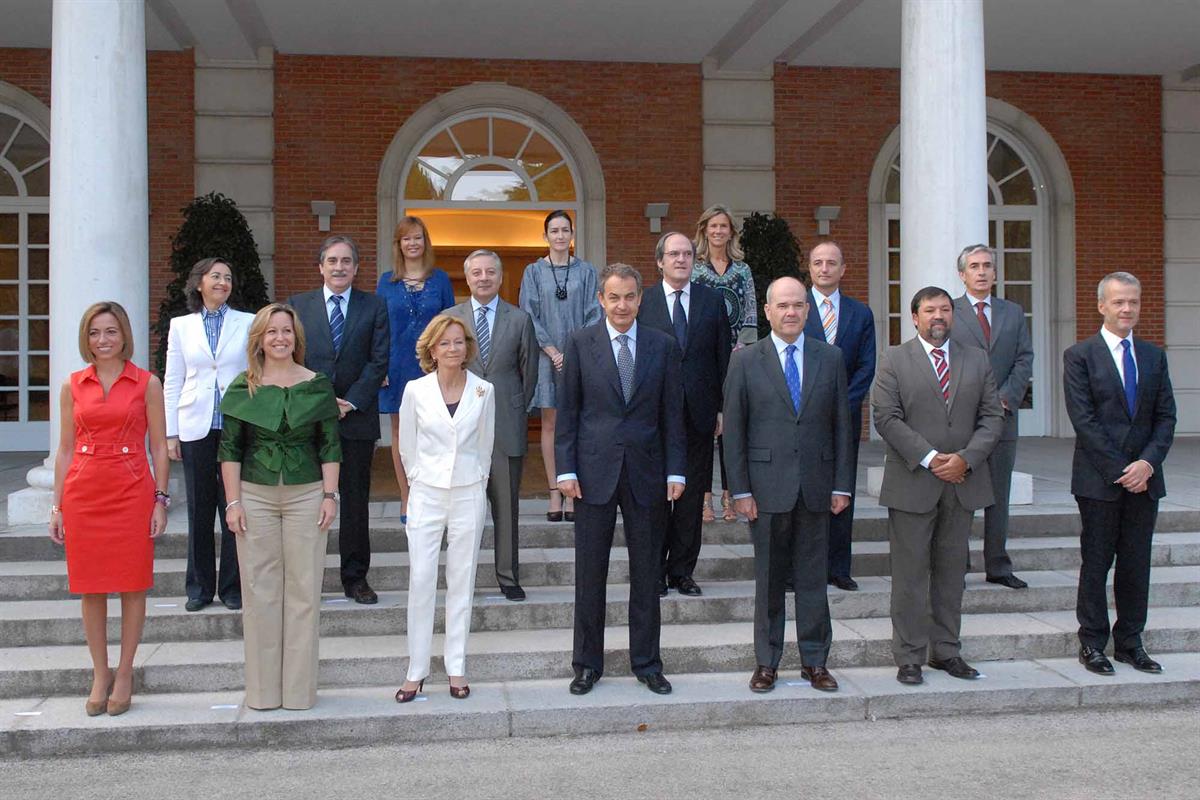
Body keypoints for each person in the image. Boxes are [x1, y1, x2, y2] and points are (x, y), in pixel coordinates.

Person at [556, 263, 686, 696]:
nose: (622, 305)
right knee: (589, 574)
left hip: (647, 473)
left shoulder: (662, 346)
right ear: (601, 300)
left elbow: (672, 415)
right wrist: (566, 469)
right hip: (592, 475)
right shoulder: (579, 343)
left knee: (648, 573)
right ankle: (587, 665)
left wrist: (676, 469)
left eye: (629, 296)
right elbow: (568, 412)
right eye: (614, 297)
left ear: (640, 298)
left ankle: (647, 663)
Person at [724, 277, 853, 693]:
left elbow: (842, 428)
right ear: (767, 311)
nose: (791, 312)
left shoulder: (830, 358)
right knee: (770, 581)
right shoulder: (745, 361)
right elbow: (735, 431)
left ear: (808, 310)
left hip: (817, 487)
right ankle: (767, 662)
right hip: (765, 490)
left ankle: (815, 661)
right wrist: (739, 490)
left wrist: (842, 485)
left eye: (798, 305)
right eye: (782, 306)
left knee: (814, 580)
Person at [871, 286, 1004, 686]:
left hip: (962, 481)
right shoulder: (894, 359)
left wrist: (965, 458)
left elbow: (993, 417)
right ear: (915, 317)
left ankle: (946, 651)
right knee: (910, 576)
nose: (938, 316)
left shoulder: (976, 360)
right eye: (930, 310)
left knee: (950, 574)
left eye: (945, 309)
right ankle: (909, 656)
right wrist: (932, 459)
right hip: (914, 481)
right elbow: (886, 417)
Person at [219, 303, 342, 711]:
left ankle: (298, 692)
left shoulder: (317, 384)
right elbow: (230, 450)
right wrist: (233, 501)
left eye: (286, 331)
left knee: (305, 591)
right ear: (259, 339)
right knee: (260, 592)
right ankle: (262, 693)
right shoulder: (243, 387)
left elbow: (329, 445)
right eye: (271, 332)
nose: (279, 339)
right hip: (254, 494)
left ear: (296, 338)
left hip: (307, 494)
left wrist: (329, 494)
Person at [49, 301, 170, 716]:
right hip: (84, 492)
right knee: (91, 586)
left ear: (124, 336)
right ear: (86, 338)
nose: (103, 340)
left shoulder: (145, 383)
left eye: (111, 331)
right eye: (95, 333)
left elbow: (158, 445)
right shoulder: (72, 385)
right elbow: (64, 448)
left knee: (132, 584)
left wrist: (161, 499)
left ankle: (124, 671)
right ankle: (99, 672)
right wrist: (57, 506)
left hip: (132, 488)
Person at [1064, 272, 1176, 676]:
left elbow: (1166, 417)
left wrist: (1147, 464)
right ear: (1101, 306)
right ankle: (1093, 643)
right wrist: (1121, 470)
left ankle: (1130, 642)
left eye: (1133, 302)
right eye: (1118, 302)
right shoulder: (1079, 356)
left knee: (1135, 565)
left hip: (1145, 482)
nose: (1127, 309)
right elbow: (1085, 421)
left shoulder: (1153, 356)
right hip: (1099, 481)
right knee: (1096, 563)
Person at [394, 314, 495, 701]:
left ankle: (457, 667)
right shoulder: (415, 391)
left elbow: (485, 446)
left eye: (459, 342)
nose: (453, 349)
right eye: (445, 343)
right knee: (421, 580)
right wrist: (420, 480)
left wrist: (477, 480)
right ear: (431, 350)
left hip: (469, 491)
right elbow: (407, 446)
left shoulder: (484, 390)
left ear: (467, 347)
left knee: (462, 581)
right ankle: (415, 670)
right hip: (427, 493)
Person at [288, 235, 389, 605]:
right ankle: (306, 579)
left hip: (356, 419)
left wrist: (350, 403)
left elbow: (379, 361)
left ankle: (355, 578)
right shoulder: (298, 307)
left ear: (356, 267)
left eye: (346, 261)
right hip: (309, 421)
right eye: (332, 261)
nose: (339, 267)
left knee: (356, 502)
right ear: (320, 266)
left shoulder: (374, 306)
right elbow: (291, 358)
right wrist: (321, 401)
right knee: (307, 502)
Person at [636, 231, 730, 597]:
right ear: (659, 261)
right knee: (654, 497)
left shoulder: (712, 301)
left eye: (687, 254)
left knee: (692, 498)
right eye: (673, 254)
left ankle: (682, 572)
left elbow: (723, 358)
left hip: (699, 414)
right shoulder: (644, 302)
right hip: (653, 416)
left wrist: (721, 407)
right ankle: (653, 571)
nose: (680, 259)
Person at [446, 250, 538, 601]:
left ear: (500, 278)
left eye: (490, 272)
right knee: (462, 510)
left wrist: (511, 407)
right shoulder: (450, 319)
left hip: (506, 424)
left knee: (506, 505)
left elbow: (527, 375)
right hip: (462, 426)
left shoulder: (520, 320)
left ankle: (508, 577)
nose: (483, 278)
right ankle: (462, 579)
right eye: (476, 273)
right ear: (467, 278)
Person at [163, 257, 254, 612]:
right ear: (199, 282)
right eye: (215, 276)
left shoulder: (247, 323)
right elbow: (173, 381)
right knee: (199, 509)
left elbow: (254, 375)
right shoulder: (181, 326)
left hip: (235, 426)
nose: (222, 282)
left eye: (228, 277)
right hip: (195, 427)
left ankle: (233, 587)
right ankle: (199, 588)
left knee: (234, 505)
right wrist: (171, 433)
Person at [948, 243, 1034, 589]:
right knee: (962, 494)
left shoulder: (1013, 312)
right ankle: (958, 564)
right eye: (974, 266)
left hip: (1003, 417)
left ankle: (998, 565)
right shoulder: (949, 311)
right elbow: (945, 359)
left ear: (995, 273)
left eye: (987, 266)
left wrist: (1006, 397)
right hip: (964, 420)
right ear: (962, 274)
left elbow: (1024, 358)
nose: (981, 272)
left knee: (999, 493)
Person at [519, 210, 601, 522]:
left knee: (579, 423)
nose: (560, 236)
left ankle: (574, 492)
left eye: (565, 230)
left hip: (580, 357)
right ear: (545, 236)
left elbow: (595, 311)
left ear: (572, 234)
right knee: (551, 424)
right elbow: (529, 313)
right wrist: (554, 352)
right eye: (554, 230)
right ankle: (555, 492)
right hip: (545, 357)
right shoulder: (533, 272)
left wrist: (572, 352)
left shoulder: (588, 271)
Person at [803, 241, 876, 592]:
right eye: (818, 262)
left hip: (845, 416)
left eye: (832, 262)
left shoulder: (860, 314)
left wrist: (844, 403)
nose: (825, 268)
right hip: (803, 417)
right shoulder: (795, 308)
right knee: (803, 491)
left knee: (842, 489)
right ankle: (802, 567)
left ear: (843, 269)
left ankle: (839, 567)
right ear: (810, 268)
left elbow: (866, 366)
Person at [375, 216, 455, 522]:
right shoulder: (386, 282)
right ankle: (407, 498)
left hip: (435, 368)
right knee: (402, 435)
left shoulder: (440, 280)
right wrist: (380, 365)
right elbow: (379, 328)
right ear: (399, 244)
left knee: (437, 433)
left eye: (418, 238)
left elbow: (449, 324)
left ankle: (435, 497)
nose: (413, 243)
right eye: (407, 238)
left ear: (426, 242)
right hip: (397, 366)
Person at [691, 204, 758, 523]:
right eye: (713, 226)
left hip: (736, 356)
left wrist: (743, 346)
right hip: (703, 358)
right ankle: (704, 498)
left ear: (731, 231)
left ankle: (730, 496)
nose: (718, 231)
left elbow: (750, 310)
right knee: (706, 428)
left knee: (732, 428)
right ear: (704, 230)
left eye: (724, 226)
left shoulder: (742, 269)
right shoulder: (695, 267)